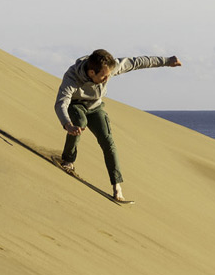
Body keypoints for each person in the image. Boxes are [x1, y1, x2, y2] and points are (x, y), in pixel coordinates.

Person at [54, 49, 182, 202]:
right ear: (92, 72)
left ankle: (117, 186)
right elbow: (61, 103)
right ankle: (68, 160)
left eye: (109, 74)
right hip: (75, 106)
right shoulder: (72, 77)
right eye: (104, 76)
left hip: (95, 107)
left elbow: (137, 62)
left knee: (108, 141)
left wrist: (167, 61)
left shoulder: (109, 68)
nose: (107, 78)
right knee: (80, 123)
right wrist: (67, 124)